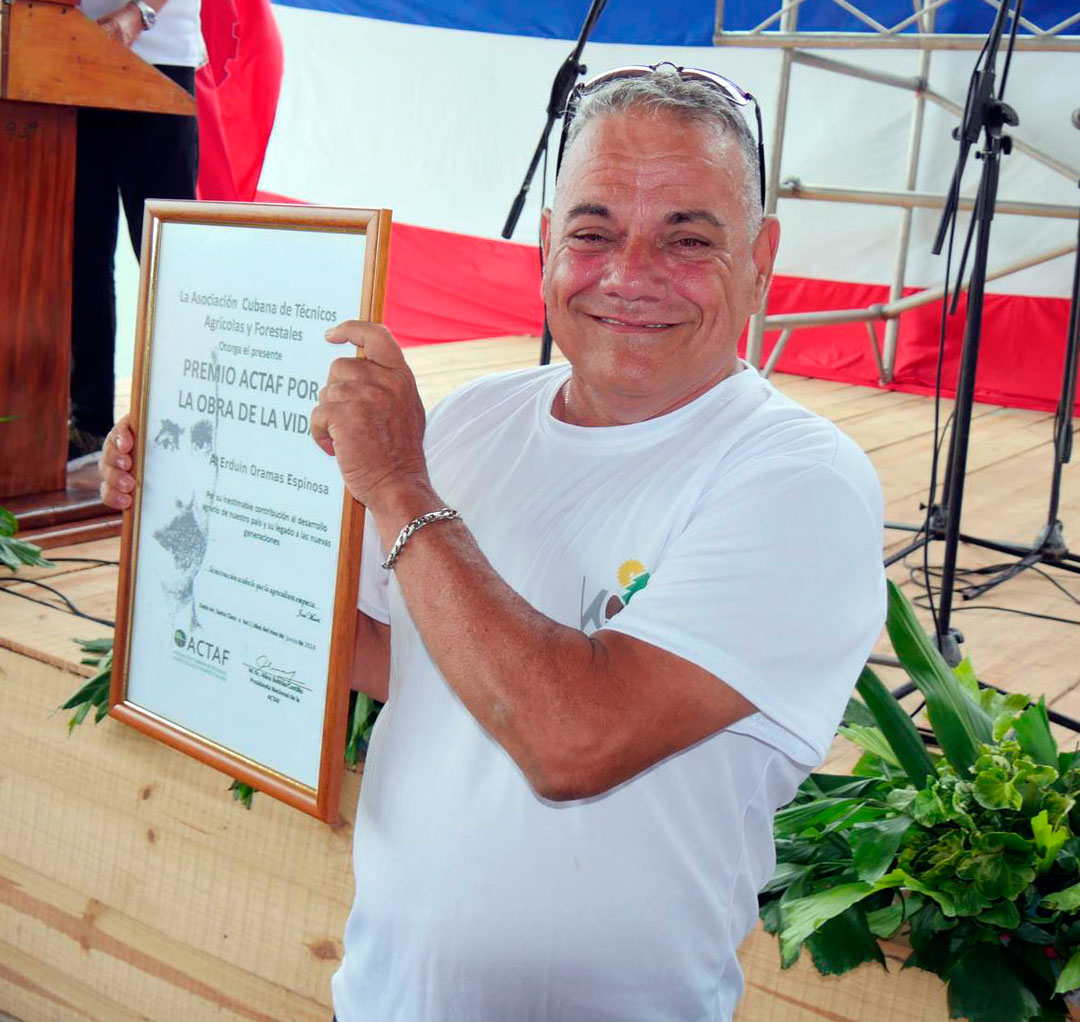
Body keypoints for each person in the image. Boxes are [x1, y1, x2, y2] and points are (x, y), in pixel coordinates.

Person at [101, 65, 886, 1021]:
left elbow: (573, 738)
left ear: (761, 259)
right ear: (548, 246)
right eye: (594, 233)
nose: (630, 276)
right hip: (379, 995)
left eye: (688, 240)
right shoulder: (471, 421)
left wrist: (396, 484)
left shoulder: (801, 482)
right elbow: (401, 661)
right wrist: (187, 506)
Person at [68, 0, 204, 465]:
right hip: (65, 56)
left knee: (167, 262)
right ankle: (88, 424)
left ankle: (184, 422)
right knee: (79, 256)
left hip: (156, 59)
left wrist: (137, 12)